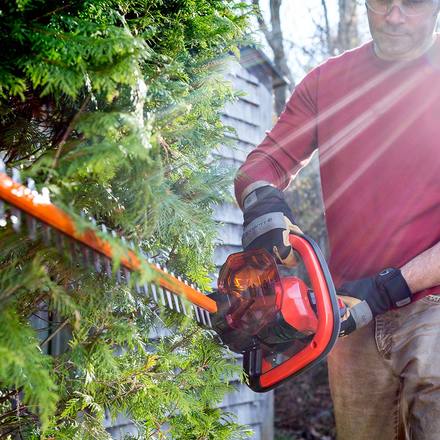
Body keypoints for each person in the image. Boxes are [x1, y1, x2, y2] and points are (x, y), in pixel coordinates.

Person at [234, 1, 440, 439]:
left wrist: (391, 285)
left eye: (413, 4)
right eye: (383, 1)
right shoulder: (328, 82)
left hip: (434, 307)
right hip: (349, 314)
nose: (395, 15)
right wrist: (265, 204)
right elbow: (261, 165)